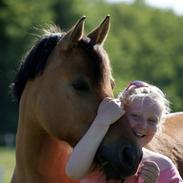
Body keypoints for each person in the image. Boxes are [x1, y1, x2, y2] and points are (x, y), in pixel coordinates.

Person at [65, 80, 183, 183]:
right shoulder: (99, 155)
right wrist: (101, 122)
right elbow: (73, 172)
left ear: (159, 126)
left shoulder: (163, 166)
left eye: (152, 121)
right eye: (135, 116)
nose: (143, 125)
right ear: (119, 116)